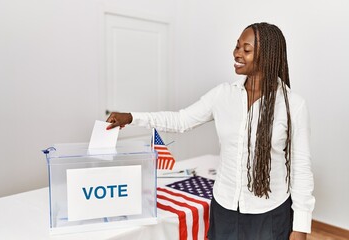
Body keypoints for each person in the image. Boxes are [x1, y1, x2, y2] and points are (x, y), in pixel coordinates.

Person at [106, 22, 315, 240]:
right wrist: (132, 117)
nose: (237, 54)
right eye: (236, 47)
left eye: (246, 49)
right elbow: (180, 120)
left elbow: (301, 169)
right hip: (224, 207)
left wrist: (300, 226)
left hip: (270, 211)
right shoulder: (222, 95)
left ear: (268, 55)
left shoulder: (293, 105)